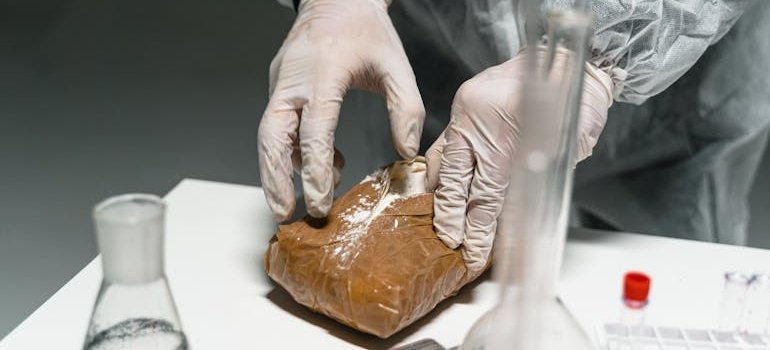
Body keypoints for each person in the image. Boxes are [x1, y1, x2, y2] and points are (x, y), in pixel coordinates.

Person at [259, 0, 770, 278]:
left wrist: (597, 56)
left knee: (677, 293)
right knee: (422, 255)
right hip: (448, 64)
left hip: (673, 94)